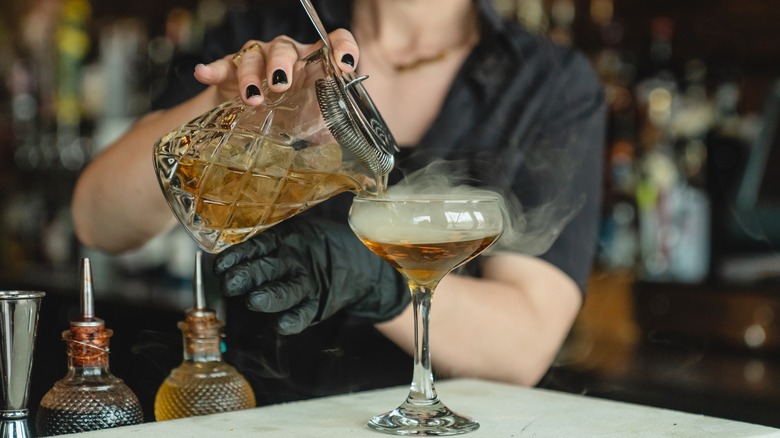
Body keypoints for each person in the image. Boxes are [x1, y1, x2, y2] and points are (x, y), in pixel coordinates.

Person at [71, 0, 605, 404]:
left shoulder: (548, 84)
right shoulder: (266, 34)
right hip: (261, 416)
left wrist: (379, 280)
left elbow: (523, 344)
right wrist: (221, 103)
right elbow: (98, 220)